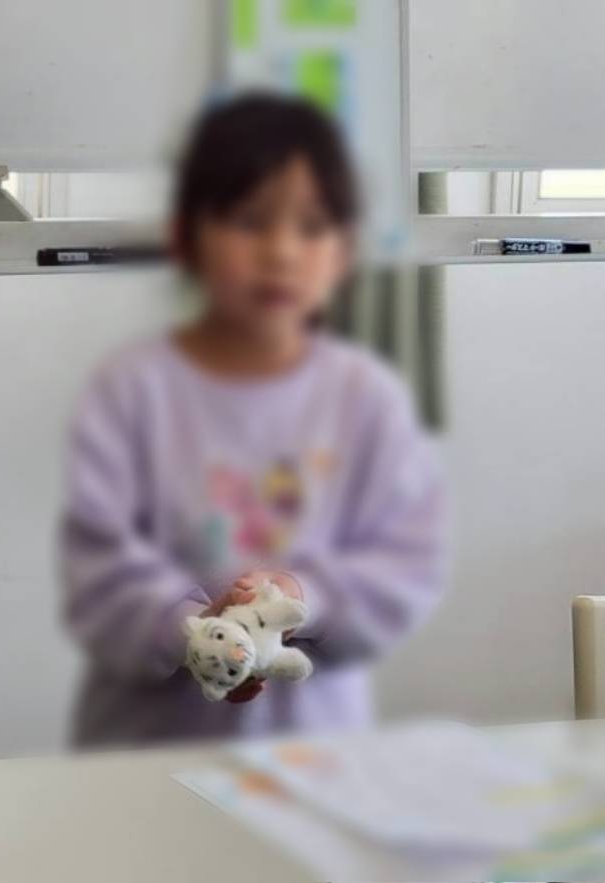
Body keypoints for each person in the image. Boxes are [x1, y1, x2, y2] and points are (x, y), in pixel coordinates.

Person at [61, 93, 445, 746]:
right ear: (186, 237)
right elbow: (100, 575)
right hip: (151, 748)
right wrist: (194, 629)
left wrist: (300, 596)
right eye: (249, 220)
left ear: (345, 251)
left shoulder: (367, 398)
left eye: (313, 225)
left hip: (318, 746)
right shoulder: (132, 391)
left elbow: (403, 566)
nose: (282, 252)